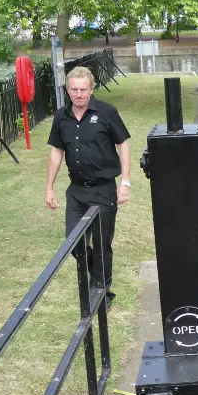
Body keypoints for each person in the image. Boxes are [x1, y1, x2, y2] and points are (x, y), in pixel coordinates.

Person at [45, 66, 131, 311]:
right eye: (74, 89)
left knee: (102, 244)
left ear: (91, 89)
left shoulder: (106, 112)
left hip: (103, 190)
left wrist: (125, 182)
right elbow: (56, 151)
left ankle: (102, 291)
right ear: (68, 90)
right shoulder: (62, 117)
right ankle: (98, 276)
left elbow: (122, 144)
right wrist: (49, 188)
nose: (79, 94)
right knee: (73, 243)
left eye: (83, 89)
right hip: (77, 191)